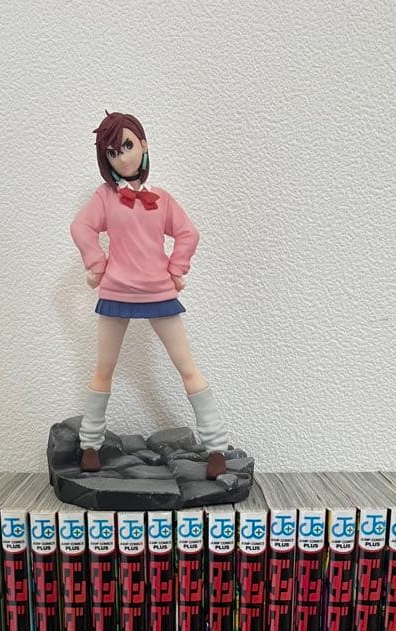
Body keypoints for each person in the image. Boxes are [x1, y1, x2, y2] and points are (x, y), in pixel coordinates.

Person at [70, 110, 229, 480]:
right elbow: (80, 227)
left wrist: (177, 269)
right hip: (116, 292)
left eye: (127, 146)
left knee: (186, 367)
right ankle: (89, 445)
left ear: (143, 144)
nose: (122, 157)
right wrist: (96, 263)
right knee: (103, 369)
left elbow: (189, 233)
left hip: (158, 292)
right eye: (112, 153)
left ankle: (217, 447)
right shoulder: (105, 198)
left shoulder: (162, 198)